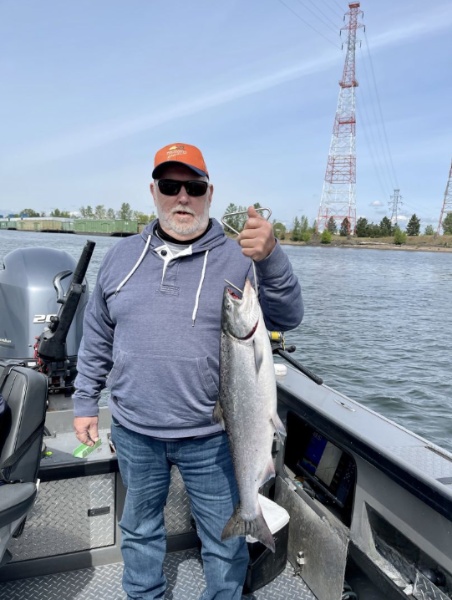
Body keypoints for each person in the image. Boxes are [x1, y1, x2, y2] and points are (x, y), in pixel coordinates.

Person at [73, 142, 303, 600]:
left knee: (224, 540)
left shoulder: (241, 258)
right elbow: (97, 334)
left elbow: (289, 315)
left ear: (209, 193)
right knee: (139, 530)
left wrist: (272, 256)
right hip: (136, 430)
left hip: (215, 436)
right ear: (154, 191)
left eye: (193, 187)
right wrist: (84, 401)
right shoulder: (121, 258)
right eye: (170, 185)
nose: (182, 197)